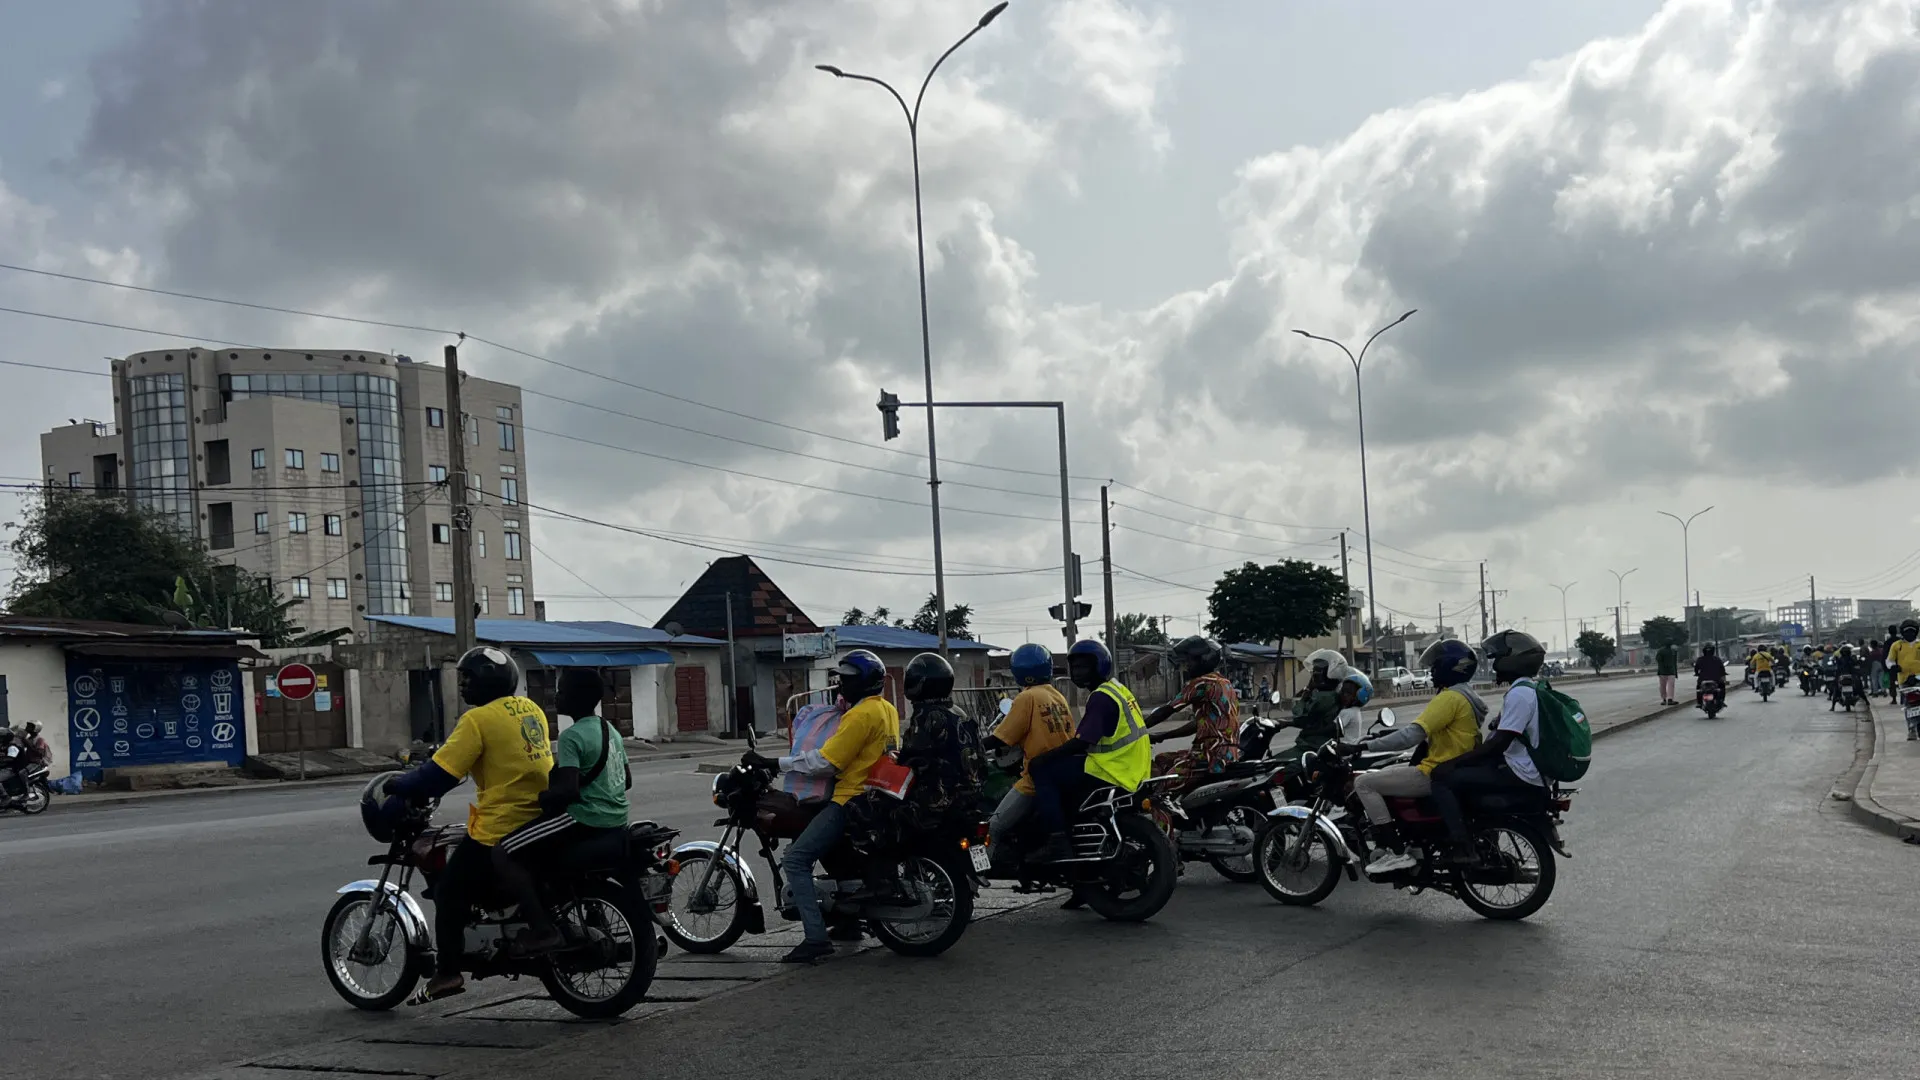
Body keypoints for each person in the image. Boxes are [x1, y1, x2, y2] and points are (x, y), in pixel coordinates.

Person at [381, 646, 554, 1003]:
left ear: (487, 681)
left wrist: (400, 785)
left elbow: (438, 776)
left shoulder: (478, 720)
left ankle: (447, 973)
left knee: (448, 891)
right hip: (540, 816)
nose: (461, 685)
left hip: (503, 822)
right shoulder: (529, 707)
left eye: (468, 678)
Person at [740, 649, 898, 964]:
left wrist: (773, 761)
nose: (840, 685)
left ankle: (815, 938)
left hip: (850, 798)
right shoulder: (887, 709)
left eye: (847, 680)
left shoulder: (858, 715)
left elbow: (825, 762)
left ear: (864, 682)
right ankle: (848, 921)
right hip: (878, 796)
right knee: (832, 855)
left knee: (796, 860)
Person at [490, 668, 631, 957]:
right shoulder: (609, 729)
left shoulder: (571, 737)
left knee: (503, 851)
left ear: (576, 698)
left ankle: (542, 930)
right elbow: (626, 779)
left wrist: (544, 796)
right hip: (615, 821)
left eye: (562, 690)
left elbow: (569, 791)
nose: (556, 695)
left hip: (583, 819)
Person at [1336, 641, 1486, 875]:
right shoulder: (1466, 696)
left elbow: (1412, 735)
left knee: (1364, 783)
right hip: (1453, 768)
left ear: (1449, 667)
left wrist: (1363, 746)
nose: (1431, 671)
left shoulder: (1449, 698)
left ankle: (1396, 852)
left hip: (1435, 772)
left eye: (1436, 666)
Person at [1429, 630, 1551, 865]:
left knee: (1441, 778)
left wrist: (1453, 763)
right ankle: (1484, 838)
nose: (1494, 666)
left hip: (1520, 772)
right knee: (1465, 776)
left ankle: (1462, 847)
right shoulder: (1530, 690)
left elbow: (1498, 744)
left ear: (1513, 661)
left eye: (1498, 660)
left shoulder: (1520, 695)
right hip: (1527, 769)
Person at [1026, 640, 1150, 863]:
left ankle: (1057, 841)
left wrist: (1042, 758)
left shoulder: (1101, 697)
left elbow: (1081, 742)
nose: (1077, 672)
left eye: (1084, 667)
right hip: (1131, 766)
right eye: (1074, 667)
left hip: (1112, 769)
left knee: (1043, 771)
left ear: (1099, 665)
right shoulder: (1117, 689)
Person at [983, 643, 1074, 852]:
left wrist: (975, 745)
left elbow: (1002, 738)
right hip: (1062, 770)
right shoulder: (1057, 696)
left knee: (993, 827)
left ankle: (973, 881)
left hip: (1036, 777)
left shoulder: (1026, 698)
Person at [894, 651, 986, 818]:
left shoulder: (926, 715)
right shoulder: (960, 713)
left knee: (883, 811)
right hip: (973, 795)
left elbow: (908, 759)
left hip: (938, 801)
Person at [1144, 635, 1242, 783]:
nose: (1186, 666)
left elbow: (1168, 710)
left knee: (1160, 787)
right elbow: (1198, 725)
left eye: (1189, 661)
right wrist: (1162, 736)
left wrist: (1140, 728)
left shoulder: (1201, 683)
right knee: (1162, 759)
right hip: (1229, 755)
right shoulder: (1225, 684)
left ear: (1202, 660)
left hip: (1209, 755)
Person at [1276, 649, 1352, 765]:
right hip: (1321, 747)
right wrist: (1287, 723)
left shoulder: (1323, 698)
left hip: (1311, 747)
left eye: (1316, 672)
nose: (1313, 676)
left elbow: (1299, 716)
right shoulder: (1332, 695)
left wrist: (1306, 692)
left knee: (1275, 766)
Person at [1889, 620, 1920, 738]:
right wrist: (1893, 667)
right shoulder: (1897, 645)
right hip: (1904, 680)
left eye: (1912, 631)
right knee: (1908, 705)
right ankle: (1911, 729)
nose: (1910, 634)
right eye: (1907, 632)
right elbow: (1889, 660)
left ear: (1916, 632)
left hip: (1919, 678)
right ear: (1902, 632)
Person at [1693, 643, 1727, 709]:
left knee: (1698, 688)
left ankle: (1699, 702)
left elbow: (1696, 669)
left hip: (1702, 679)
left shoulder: (1700, 659)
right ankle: (1721, 700)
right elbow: (1722, 669)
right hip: (1716, 679)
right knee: (1722, 686)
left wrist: (1697, 673)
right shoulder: (1717, 659)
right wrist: (1723, 674)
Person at [1655, 641, 1680, 705]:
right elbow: (1674, 663)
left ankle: (1664, 699)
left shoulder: (1660, 651)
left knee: (1663, 686)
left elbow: (1658, 660)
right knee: (1671, 686)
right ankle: (1670, 699)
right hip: (1671, 671)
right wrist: (1676, 673)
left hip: (1663, 671)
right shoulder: (1673, 651)